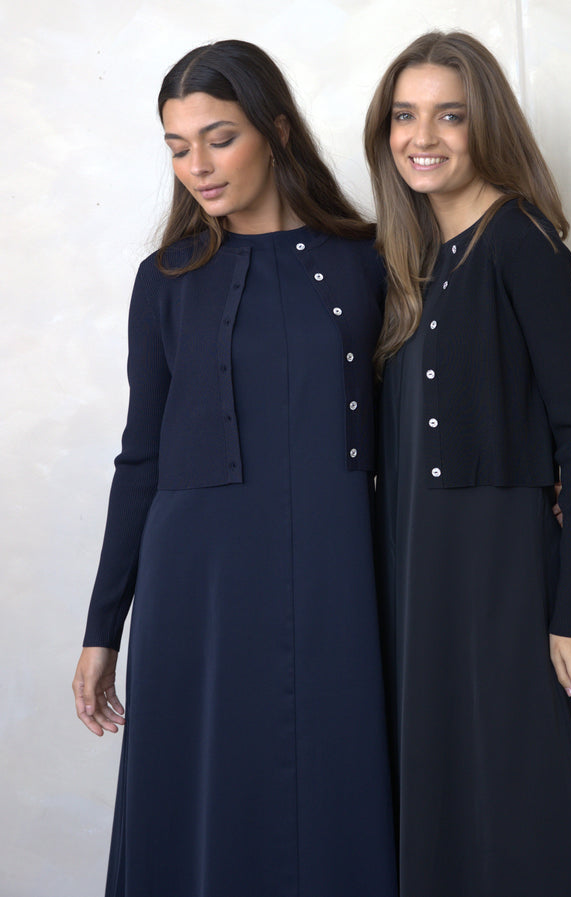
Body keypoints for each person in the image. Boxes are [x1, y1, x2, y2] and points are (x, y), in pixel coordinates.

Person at [72, 39, 397, 897]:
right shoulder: (166, 280)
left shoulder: (368, 260)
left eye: (218, 138)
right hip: (198, 585)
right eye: (178, 147)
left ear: (277, 131)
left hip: (335, 569)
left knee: (336, 775)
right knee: (206, 787)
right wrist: (104, 625)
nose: (197, 167)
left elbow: (418, 423)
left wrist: (539, 484)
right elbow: (140, 456)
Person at [365, 30, 571, 896]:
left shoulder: (522, 241)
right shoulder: (401, 261)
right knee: (439, 782)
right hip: (416, 573)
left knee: (524, 787)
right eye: (405, 115)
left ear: (488, 127)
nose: (422, 135)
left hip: (508, 572)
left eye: (450, 114)